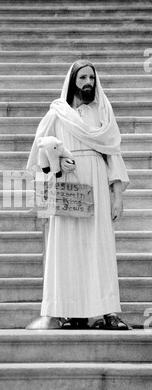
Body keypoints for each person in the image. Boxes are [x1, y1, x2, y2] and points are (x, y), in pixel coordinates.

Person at [26, 60, 131, 330]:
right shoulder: (57, 113)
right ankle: (73, 312)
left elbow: (113, 155)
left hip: (96, 182)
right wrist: (57, 165)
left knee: (100, 246)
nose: (88, 82)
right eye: (83, 77)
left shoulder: (103, 114)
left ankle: (108, 312)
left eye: (92, 78)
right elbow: (40, 154)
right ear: (73, 80)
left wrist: (117, 196)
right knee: (68, 248)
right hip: (68, 186)